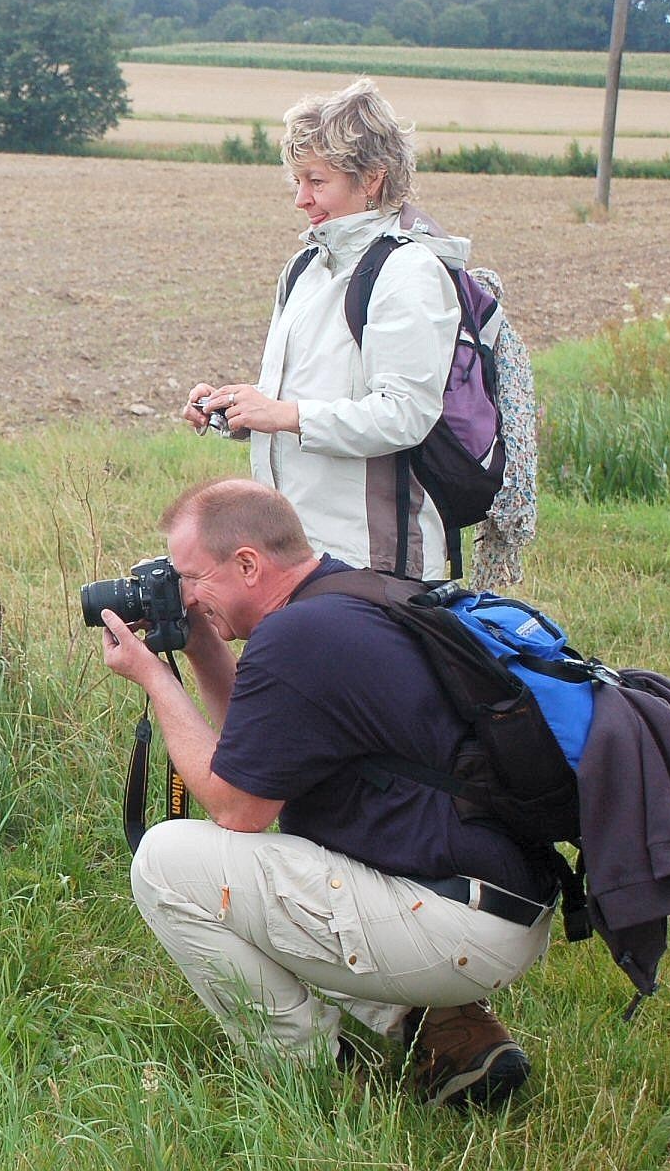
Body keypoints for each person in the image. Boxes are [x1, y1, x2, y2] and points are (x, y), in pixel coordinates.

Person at [100, 477, 555, 1107]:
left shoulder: (296, 641)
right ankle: (442, 1027)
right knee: (280, 863)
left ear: (249, 564)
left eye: (191, 576)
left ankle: (308, 1078)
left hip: (459, 926)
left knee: (167, 862)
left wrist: (155, 679)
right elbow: (254, 758)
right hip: (496, 902)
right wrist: (201, 640)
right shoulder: (346, 596)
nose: (184, 593)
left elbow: (237, 809)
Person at [183, 78, 470, 584]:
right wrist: (238, 411)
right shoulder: (306, 268)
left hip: (371, 560)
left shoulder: (408, 272)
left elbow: (406, 415)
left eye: (316, 182)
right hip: (293, 551)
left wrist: (285, 414)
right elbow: (297, 405)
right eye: (297, 181)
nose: (300, 199)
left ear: (373, 179)